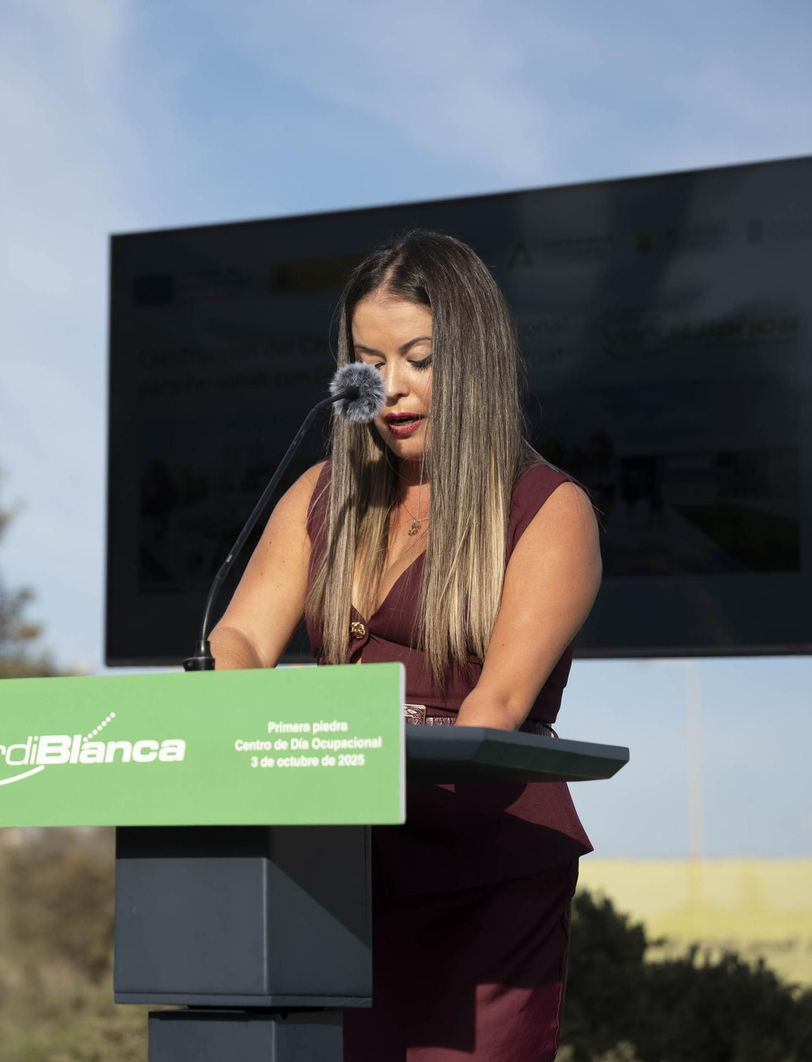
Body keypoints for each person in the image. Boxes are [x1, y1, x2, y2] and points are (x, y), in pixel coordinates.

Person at [208, 230, 602, 1060]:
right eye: (369, 362)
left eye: (420, 358)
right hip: (333, 870)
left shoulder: (547, 508)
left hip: (482, 875)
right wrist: (236, 711)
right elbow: (240, 634)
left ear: (475, 357)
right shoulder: (320, 493)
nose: (391, 388)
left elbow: (495, 706)